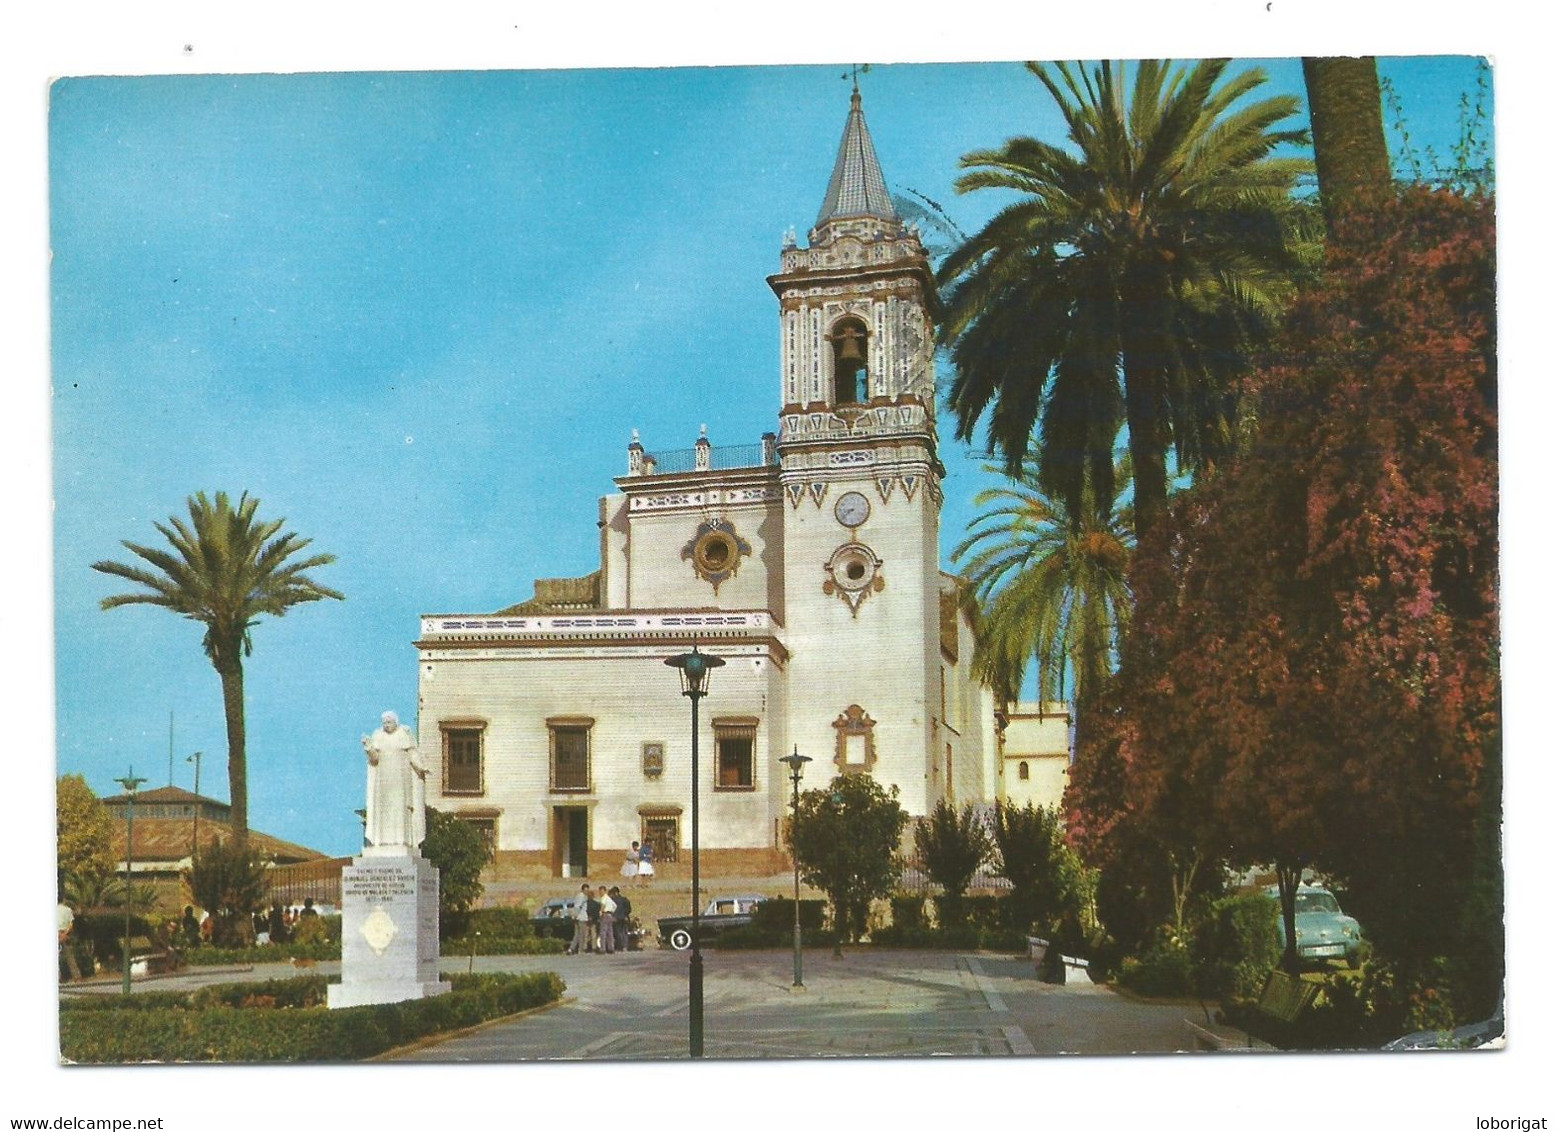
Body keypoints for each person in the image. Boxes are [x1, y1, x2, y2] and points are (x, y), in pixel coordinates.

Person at [361, 710, 429, 851]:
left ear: (396, 722)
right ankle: (383, 841)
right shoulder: (378, 735)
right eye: (384, 723)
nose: (387, 725)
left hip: (401, 780)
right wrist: (369, 747)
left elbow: (413, 755)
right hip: (384, 780)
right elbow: (374, 759)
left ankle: (402, 840)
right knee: (385, 809)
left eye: (389, 722)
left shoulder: (405, 733)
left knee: (400, 808)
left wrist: (421, 768)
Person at [58, 898, 82, 982]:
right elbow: (71, 925)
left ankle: (58, 977)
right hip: (65, 934)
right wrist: (65, 934)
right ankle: (77, 977)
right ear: (63, 900)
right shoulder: (68, 910)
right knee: (70, 957)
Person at [566, 884, 592, 955]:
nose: (587, 892)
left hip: (579, 917)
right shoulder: (582, 897)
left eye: (587, 890)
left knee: (577, 935)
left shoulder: (579, 896)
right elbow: (578, 907)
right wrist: (576, 915)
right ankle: (581, 950)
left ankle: (571, 949)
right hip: (581, 917)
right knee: (582, 935)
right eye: (586, 890)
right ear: (582, 890)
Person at [610, 886, 632, 952]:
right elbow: (629, 909)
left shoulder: (613, 900)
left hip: (617, 918)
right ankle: (624, 946)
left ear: (616, 893)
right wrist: (625, 915)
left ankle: (621, 946)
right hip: (624, 918)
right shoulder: (625, 899)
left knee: (618, 933)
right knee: (624, 933)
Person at [598, 886, 617, 954]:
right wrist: (612, 912)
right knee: (610, 932)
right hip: (610, 915)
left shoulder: (604, 898)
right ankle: (611, 948)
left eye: (601, 891)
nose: (600, 893)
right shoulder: (609, 898)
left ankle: (603, 949)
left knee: (603, 932)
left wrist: (600, 913)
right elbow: (615, 906)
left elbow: (603, 906)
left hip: (605, 915)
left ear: (604, 891)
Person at [585, 887, 603, 953]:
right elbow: (597, 912)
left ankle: (585, 947)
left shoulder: (585, 904)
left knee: (586, 935)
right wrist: (595, 918)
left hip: (586, 920)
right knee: (593, 935)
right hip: (593, 920)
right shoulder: (596, 904)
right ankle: (594, 947)